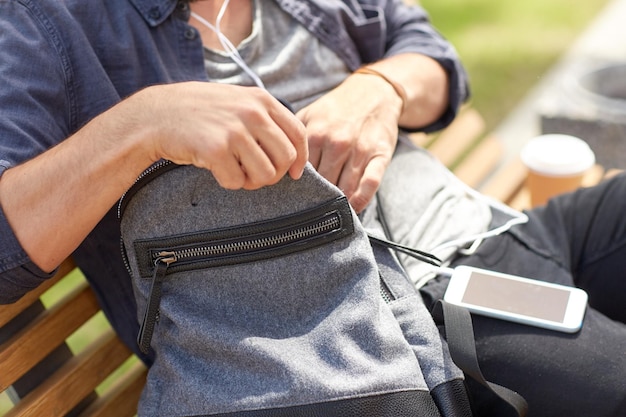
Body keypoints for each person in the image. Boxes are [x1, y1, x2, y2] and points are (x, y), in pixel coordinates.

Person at [0, 0, 623, 416]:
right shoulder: (39, 24)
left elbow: (430, 57)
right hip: (379, 310)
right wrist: (142, 124)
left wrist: (382, 88)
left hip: (481, 226)